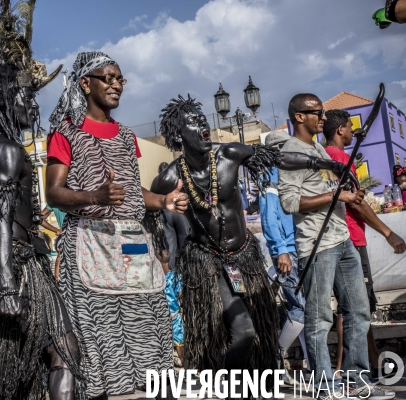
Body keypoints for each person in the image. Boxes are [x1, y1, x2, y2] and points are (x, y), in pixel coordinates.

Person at [150, 94, 352, 396]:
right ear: (179, 134)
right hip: (207, 263)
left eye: (203, 118)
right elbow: (149, 216)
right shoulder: (169, 179)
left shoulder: (229, 154)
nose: (203, 122)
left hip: (245, 256)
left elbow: (277, 158)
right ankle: (226, 387)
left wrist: (323, 162)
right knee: (242, 331)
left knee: (261, 332)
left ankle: (247, 385)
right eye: (194, 122)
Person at [0, 3, 84, 399]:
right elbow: (1, 222)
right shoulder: (7, 150)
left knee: (14, 366)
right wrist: (8, 288)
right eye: (26, 96)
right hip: (16, 269)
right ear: (7, 100)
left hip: (0, 265)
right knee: (64, 353)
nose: (34, 105)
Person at [46, 51, 187, 398]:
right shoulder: (66, 132)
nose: (115, 85)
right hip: (90, 244)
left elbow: (130, 192)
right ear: (85, 83)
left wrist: (163, 201)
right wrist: (95, 197)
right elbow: (53, 192)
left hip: (133, 240)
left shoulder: (125, 135)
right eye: (107, 77)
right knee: (99, 330)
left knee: (150, 325)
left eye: (120, 78)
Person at [277, 93, 394, 400]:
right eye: (317, 113)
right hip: (317, 247)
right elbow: (289, 203)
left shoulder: (318, 148)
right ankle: (323, 385)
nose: (323, 118)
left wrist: (347, 194)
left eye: (323, 113)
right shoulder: (291, 152)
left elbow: (332, 189)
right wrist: (335, 197)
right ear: (299, 116)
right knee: (319, 319)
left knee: (358, 311)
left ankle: (357, 381)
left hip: (342, 241)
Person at [323, 109, 406, 379]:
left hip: (347, 237)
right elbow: (355, 204)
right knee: (353, 307)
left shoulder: (331, 156)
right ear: (340, 131)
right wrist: (387, 232)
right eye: (349, 126)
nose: (352, 131)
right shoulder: (338, 157)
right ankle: (347, 369)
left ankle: (371, 360)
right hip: (350, 238)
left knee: (360, 306)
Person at [259, 130, 310, 383]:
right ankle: (275, 356)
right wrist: (281, 251)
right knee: (300, 308)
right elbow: (268, 219)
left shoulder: (286, 174)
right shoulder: (270, 176)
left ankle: (297, 364)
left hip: (298, 247)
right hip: (287, 251)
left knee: (302, 308)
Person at [158, 163, 191, 272]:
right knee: (183, 238)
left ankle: (171, 268)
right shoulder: (177, 182)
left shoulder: (157, 183)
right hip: (174, 209)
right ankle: (183, 266)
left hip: (164, 209)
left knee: (169, 240)